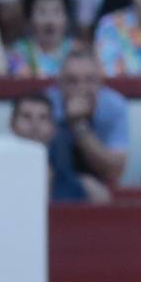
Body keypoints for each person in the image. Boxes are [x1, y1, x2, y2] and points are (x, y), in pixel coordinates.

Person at [47, 46, 129, 187]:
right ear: (59, 83)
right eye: (72, 81)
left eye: (89, 80)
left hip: (100, 185)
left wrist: (78, 125)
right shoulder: (45, 104)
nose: (81, 88)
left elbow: (115, 171)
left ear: (100, 82)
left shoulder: (115, 106)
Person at [10, 91, 112, 203]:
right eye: (26, 117)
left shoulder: (78, 185)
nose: (35, 125)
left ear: (53, 128)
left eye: (43, 118)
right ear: (12, 125)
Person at [8, 0, 75, 77]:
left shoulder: (76, 50)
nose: (50, 20)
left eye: (57, 12)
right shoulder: (18, 52)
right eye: (42, 12)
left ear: (66, 18)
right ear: (29, 19)